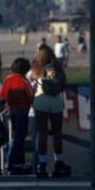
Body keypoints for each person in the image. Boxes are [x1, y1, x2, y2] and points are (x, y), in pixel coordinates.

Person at [30, 44, 70, 178]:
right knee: (57, 132)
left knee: (42, 133)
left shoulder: (36, 68)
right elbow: (64, 83)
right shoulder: (57, 67)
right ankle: (59, 162)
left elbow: (30, 83)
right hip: (56, 100)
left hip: (41, 101)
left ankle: (42, 164)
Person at [0, 57, 34, 175]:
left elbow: (2, 96)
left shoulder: (8, 79)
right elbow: (30, 95)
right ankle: (11, 163)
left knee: (14, 136)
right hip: (22, 110)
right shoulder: (24, 81)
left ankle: (15, 162)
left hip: (11, 109)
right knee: (19, 137)